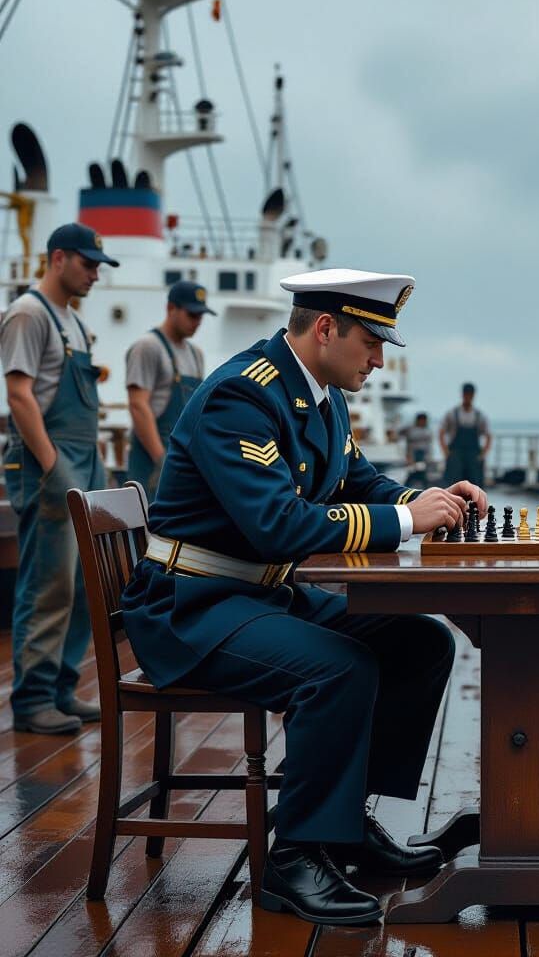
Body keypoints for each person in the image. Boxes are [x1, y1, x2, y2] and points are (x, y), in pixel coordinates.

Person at [119, 267, 487, 926]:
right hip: (191, 604)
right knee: (339, 669)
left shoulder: (322, 396)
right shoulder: (240, 394)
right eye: (370, 343)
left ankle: (346, 824)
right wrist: (408, 521)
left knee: (420, 640)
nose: (378, 360)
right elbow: (278, 526)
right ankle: (294, 860)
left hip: (257, 594)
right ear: (325, 329)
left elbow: (359, 482)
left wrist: (430, 500)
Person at [0, 222, 118, 734]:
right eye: (88, 264)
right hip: (48, 458)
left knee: (83, 581)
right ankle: (33, 699)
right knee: (48, 581)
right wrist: (52, 466)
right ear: (58, 259)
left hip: (83, 457)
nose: (95, 274)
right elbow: (19, 394)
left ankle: (62, 690)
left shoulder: (73, 321)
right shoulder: (29, 314)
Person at [125, 281, 215, 497]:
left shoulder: (196, 354)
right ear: (171, 308)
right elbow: (138, 405)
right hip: (152, 462)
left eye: (201, 316)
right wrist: (161, 460)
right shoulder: (148, 347)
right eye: (192, 315)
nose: (197, 322)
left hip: (183, 460)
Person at [440, 382, 490, 485]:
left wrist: (483, 454)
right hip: (455, 455)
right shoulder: (452, 413)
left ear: (473, 395)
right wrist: (446, 452)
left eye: (470, 394)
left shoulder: (479, 415)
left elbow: (488, 436)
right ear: (462, 394)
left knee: (474, 486)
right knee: (453, 486)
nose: (468, 396)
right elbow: (441, 432)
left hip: (473, 456)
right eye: (466, 394)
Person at [400, 411, 433, 488]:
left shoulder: (427, 430)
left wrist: (429, 457)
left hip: (423, 455)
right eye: (422, 420)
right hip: (413, 454)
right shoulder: (410, 429)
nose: (423, 422)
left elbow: (429, 445)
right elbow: (399, 434)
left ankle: (425, 489)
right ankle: (405, 489)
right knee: (412, 473)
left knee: (422, 474)